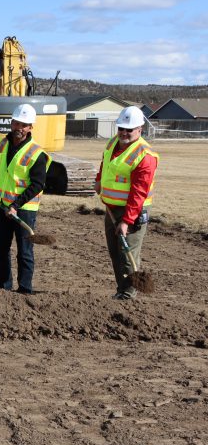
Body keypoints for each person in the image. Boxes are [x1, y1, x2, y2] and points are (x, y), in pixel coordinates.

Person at [0, 104, 50, 294]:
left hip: (24, 210)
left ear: (31, 127)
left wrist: (16, 205)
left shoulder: (36, 154)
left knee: (24, 251)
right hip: (2, 206)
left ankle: (24, 289)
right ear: (11, 123)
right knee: (0, 248)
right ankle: (2, 287)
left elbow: (38, 184)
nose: (19, 128)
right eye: (16, 123)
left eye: (24, 125)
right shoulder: (3, 144)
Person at [95, 105, 158, 300]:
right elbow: (106, 164)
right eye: (121, 128)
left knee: (127, 253)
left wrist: (126, 221)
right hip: (112, 207)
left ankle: (129, 294)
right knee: (115, 253)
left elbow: (139, 193)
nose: (124, 133)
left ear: (140, 129)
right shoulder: (113, 143)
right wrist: (99, 180)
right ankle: (121, 290)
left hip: (132, 210)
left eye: (129, 129)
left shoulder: (145, 156)